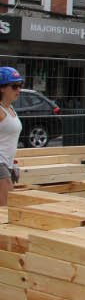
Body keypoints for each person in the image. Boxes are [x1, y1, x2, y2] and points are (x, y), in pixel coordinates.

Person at [0, 67, 24, 206]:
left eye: (20, 85)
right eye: (14, 86)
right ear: (2, 88)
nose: (18, 90)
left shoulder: (10, 109)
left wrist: (12, 163)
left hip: (7, 163)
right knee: (6, 208)